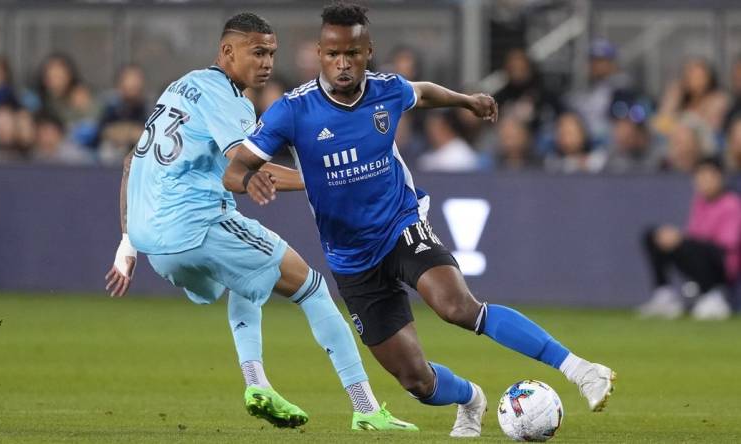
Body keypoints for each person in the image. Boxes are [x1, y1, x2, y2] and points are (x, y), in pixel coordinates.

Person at [224, 2, 615, 438]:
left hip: (401, 226)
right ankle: (471, 398)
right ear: (319, 53)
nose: (342, 63)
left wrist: (467, 101)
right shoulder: (292, 111)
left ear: (368, 52)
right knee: (415, 380)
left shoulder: (386, 91)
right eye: (333, 54)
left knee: (458, 308)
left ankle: (581, 369)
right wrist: (251, 181)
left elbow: (423, 92)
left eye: (352, 53)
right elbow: (234, 170)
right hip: (352, 260)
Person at [103, 12, 413, 432]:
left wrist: (127, 243)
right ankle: (366, 408)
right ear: (227, 51)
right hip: (198, 226)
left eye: (271, 53)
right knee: (313, 288)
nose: (267, 62)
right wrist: (325, 180)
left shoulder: (181, 87)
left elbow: (129, 161)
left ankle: (257, 383)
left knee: (246, 280)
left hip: (153, 243)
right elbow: (247, 168)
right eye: (258, 52)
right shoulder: (230, 101)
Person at [638, 157, 740, 320]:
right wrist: (675, 238)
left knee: (686, 243)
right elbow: (693, 234)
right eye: (700, 177)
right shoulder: (699, 201)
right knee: (653, 236)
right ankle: (664, 295)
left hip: (723, 264)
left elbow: (726, 244)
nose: (703, 182)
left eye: (709, 176)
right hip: (698, 254)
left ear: (720, 177)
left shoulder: (732, 204)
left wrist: (682, 239)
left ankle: (714, 296)